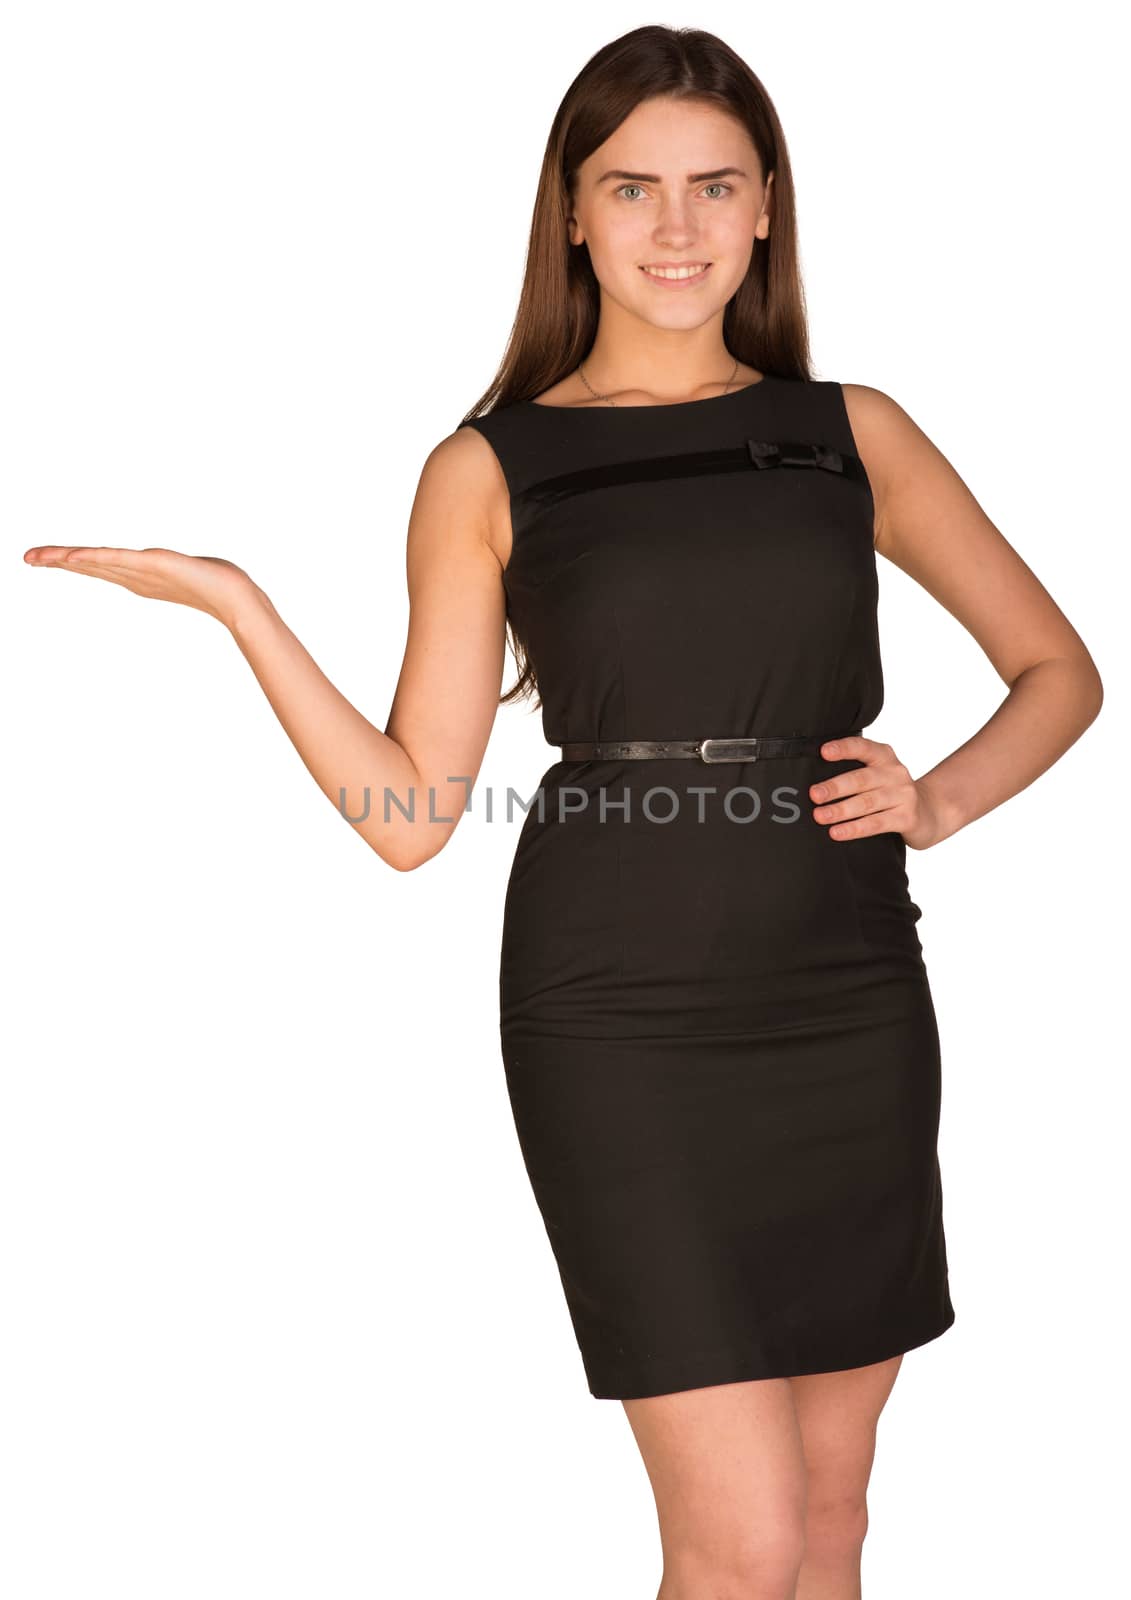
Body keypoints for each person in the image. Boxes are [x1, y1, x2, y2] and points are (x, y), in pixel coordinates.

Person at [23, 24, 1103, 1600]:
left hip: (849, 993)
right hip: (619, 1013)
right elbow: (407, 812)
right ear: (573, 217)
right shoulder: (490, 466)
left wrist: (938, 798)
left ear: (765, 214)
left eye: (714, 188)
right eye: (633, 189)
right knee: (731, 1550)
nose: (676, 228)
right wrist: (243, 610)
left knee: (827, 1524)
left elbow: (1058, 671)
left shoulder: (848, 432)